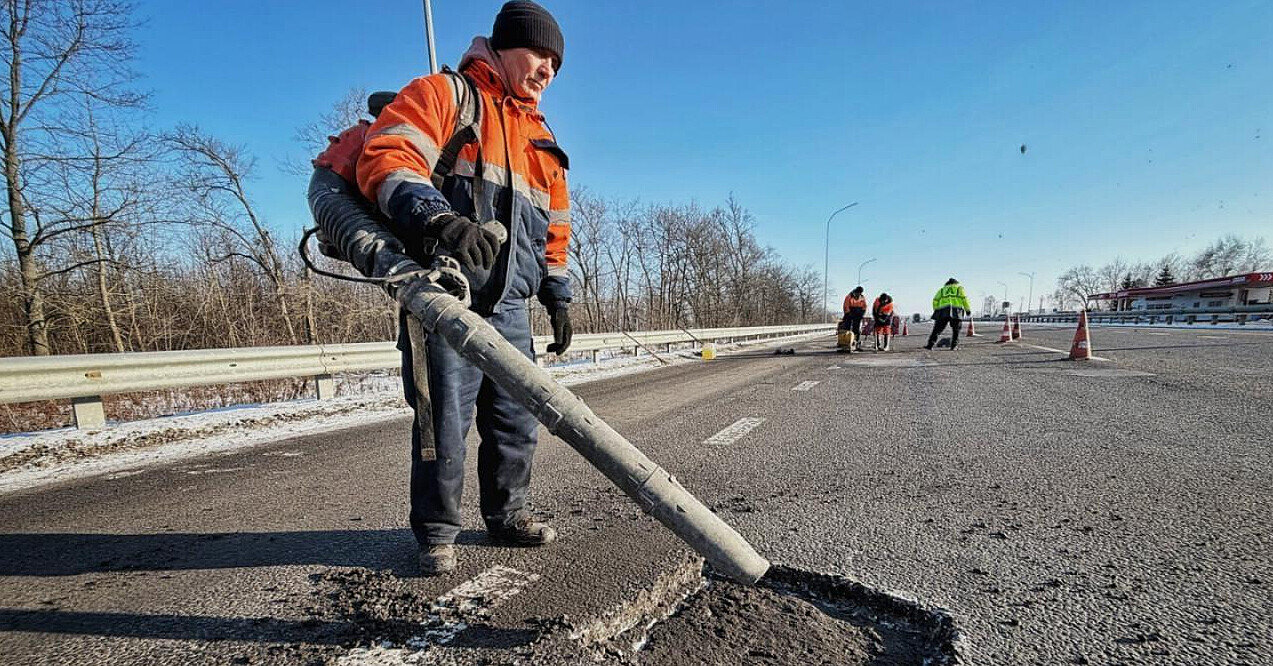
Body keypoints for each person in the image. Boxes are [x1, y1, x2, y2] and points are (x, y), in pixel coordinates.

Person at [352, 1, 572, 575]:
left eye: (556, 61)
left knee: (516, 420)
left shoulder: (542, 138)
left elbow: (555, 225)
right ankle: (437, 533)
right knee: (442, 423)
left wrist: (557, 290)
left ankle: (508, 516)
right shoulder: (447, 95)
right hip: (448, 301)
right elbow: (388, 156)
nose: (547, 68)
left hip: (513, 308)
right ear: (500, 47)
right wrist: (433, 217)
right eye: (538, 53)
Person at [925, 278, 971, 350]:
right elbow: (964, 299)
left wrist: (936, 309)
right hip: (956, 311)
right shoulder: (959, 288)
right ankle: (954, 346)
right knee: (956, 330)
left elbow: (935, 300)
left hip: (943, 311)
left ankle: (930, 345)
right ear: (955, 283)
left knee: (937, 329)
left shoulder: (942, 290)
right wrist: (967, 310)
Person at [840, 286, 867, 352]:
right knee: (847, 329)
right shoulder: (849, 297)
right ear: (855, 292)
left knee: (857, 330)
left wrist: (861, 314)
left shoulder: (862, 298)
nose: (858, 294)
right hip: (849, 314)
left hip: (858, 315)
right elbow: (846, 306)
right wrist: (849, 314)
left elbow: (864, 307)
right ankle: (845, 344)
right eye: (857, 293)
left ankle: (856, 344)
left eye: (859, 293)